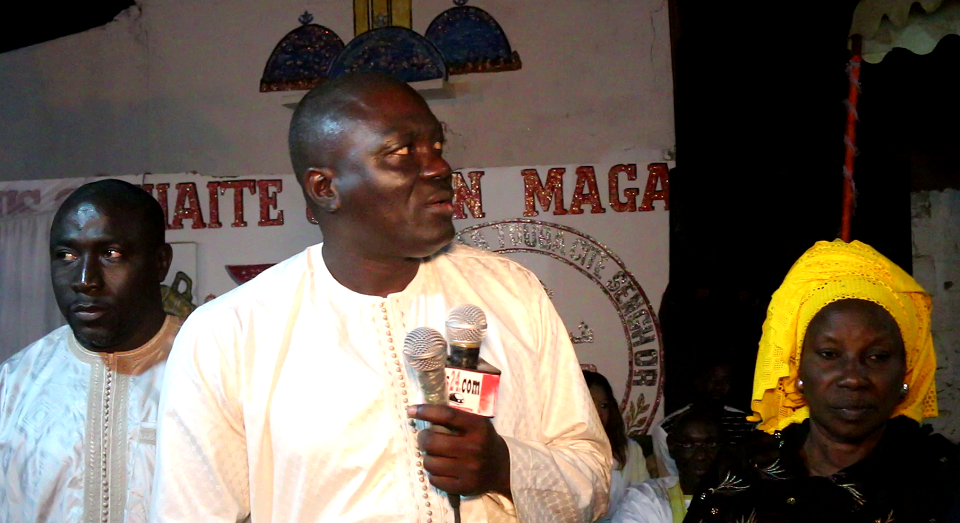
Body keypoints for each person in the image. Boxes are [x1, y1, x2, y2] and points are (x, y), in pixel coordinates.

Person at [149, 72, 611, 523]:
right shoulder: (229, 333)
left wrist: (504, 467)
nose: (439, 168)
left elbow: (593, 479)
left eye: (436, 146)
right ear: (325, 188)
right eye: (401, 152)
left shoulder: (512, 292)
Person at [686, 239, 960, 522]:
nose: (853, 378)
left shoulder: (943, 482)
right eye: (829, 354)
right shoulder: (741, 475)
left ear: (907, 370)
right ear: (798, 370)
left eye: (877, 356)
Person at [0, 179, 181, 523]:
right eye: (67, 255)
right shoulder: (14, 384)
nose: (85, 279)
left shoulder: (210, 369)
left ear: (160, 262)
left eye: (111, 254)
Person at [612, 410, 722, 523]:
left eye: (711, 444)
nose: (700, 456)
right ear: (671, 447)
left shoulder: (732, 499)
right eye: (688, 445)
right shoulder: (645, 499)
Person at [651, 359, 754, 477]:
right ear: (698, 381)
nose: (718, 386)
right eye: (712, 379)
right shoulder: (666, 428)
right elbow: (669, 478)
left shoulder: (746, 423)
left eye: (725, 380)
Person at [583, 370, 650, 521]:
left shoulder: (629, 450)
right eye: (590, 404)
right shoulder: (553, 449)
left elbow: (643, 500)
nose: (598, 413)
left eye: (603, 405)